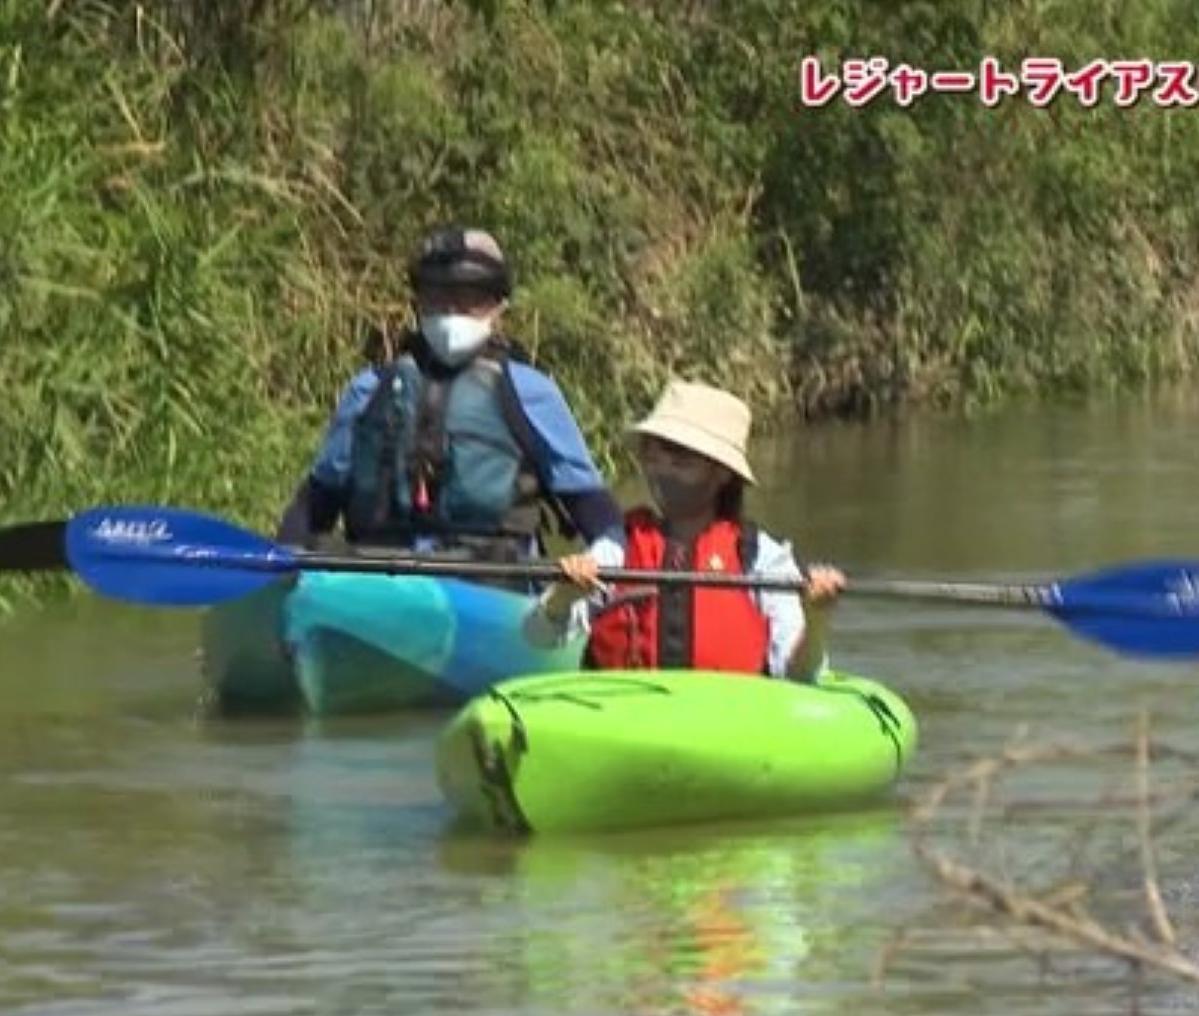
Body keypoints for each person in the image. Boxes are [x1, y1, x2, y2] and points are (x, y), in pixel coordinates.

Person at [274, 227, 625, 573]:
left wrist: (605, 550)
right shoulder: (368, 391)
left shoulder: (531, 393)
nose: (453, 310)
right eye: (438, 296)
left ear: (498, 306)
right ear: (419, 301)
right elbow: (316, 501)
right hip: (380, 586)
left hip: (491, 591)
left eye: (471, 298)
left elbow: (590, 505)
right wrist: (284, 557)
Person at [521, 380, 846, 682]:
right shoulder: (618, 546)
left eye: (681, 462)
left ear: (722, 474)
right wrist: (564, 597)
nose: (662, 474)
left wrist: (815, 620)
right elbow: (538, 637)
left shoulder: (761, 557)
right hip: (626, 720)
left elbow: (800, 676)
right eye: (653, 458)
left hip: (731, 724)